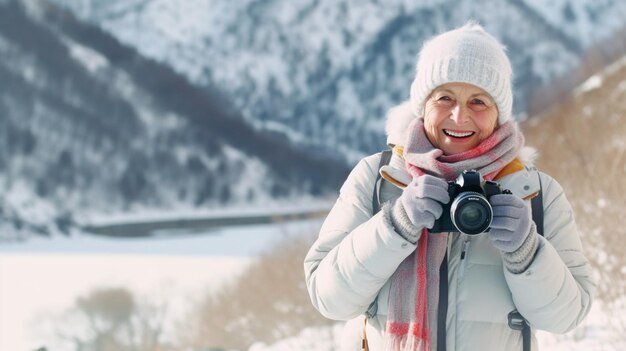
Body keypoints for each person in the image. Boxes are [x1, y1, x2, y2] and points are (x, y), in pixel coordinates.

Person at [304, 22, 595, 351]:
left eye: (478, 102)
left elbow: (567, 317)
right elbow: (329, 299)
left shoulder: (535, 192)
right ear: (423, 103)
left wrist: (528, 252)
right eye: (445, 97)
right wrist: (394, 225)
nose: (459, 117)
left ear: (499, 113)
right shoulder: (378, 178)